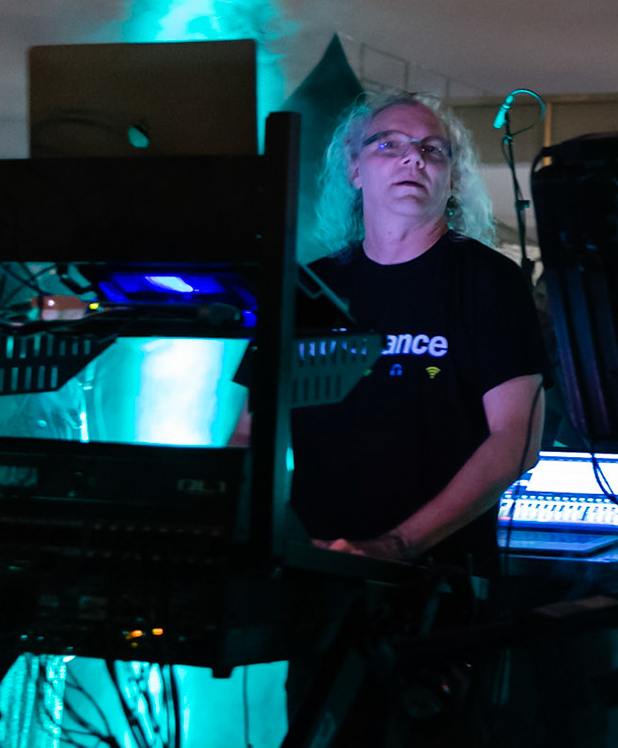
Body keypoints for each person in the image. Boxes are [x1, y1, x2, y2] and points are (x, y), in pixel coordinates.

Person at [231, 92, 548, 570]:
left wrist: (396, 546)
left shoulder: (489, 281)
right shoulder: (310, 290)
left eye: (432, 149)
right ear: (355, 170)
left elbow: (514, 441)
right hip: (312, 568)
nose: (412, 158)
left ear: (452, 178)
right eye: (388, 145)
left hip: (442, 580)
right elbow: (248, 434)